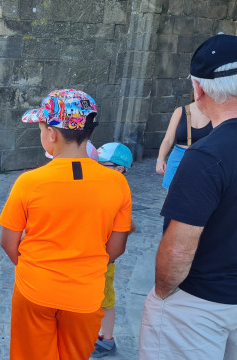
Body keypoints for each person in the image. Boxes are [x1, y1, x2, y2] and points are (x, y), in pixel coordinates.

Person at [0, 89, 131, 360]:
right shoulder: (118, 183)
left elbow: (8, 242)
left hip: (35, 289)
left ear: (52, 134)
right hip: (86, 293)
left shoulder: (29, 182)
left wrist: (37, 269)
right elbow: (116, 248)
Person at [140, 33, 237, 360]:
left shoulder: (207, 155)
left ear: (199, 89)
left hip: (200, 303)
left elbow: (179, 247)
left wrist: (162, 293)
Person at [92, 142, 136, 358]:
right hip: (92, 257)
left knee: (105, 300)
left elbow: (130, 226)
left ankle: (107, 339)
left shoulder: (119, 190)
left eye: (103, 165)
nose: (97, 168)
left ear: (119, 169)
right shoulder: (101, 185)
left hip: (104, 260)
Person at [155, 94, 212, 189]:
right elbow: (168, 139)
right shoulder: (180, 112)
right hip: (178, 158)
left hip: (202, 161)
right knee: (173, 198)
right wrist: (160, 160)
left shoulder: (214, 114)